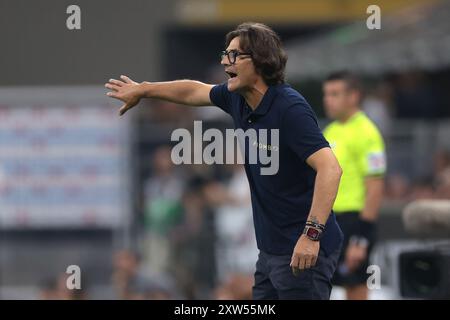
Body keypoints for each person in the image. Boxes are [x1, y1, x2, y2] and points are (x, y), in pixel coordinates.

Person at [105, 22, 343, 300]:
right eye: (224, 54)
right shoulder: (238, 99)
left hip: (302, 250)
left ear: (259, 60)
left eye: (233, 55)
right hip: (271, 253)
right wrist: (144, 89)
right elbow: (192, 91)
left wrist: (311, 236)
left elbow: (331, 168)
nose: (223, 61)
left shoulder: (289, 108)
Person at [322, 71, 386, 300]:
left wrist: (361, 239)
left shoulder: (367, 133)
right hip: (329, 221)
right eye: (327, 94)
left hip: (353, 220)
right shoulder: (330, 131)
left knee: (355, 287)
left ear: (354, 96)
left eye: (335, 93)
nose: (328, 99)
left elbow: (375, 188)